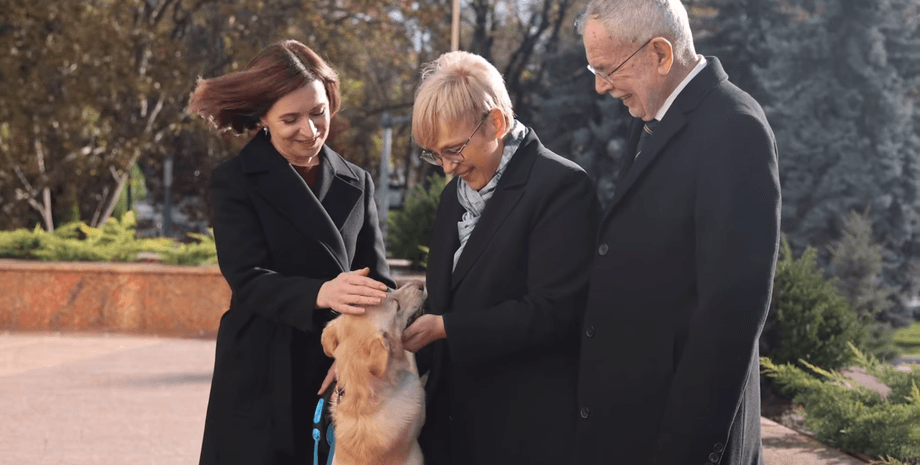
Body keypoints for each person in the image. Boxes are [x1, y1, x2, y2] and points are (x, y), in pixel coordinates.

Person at [572, 1, 781, 464]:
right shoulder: (656, 112)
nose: (600, 86)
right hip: (632, 429)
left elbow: (731, 313)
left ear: (661, 55)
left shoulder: (734, 128)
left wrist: (682, 450)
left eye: (607, 70)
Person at [188, 39, 395, 465]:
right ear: (263, 118)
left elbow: (379, 282)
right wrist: (322, 293)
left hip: (336, 374)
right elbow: (246, 276)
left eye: (318, 112)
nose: (310, 129)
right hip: (261, 371)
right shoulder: (235, 180)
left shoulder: (357, 181)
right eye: (290, 118)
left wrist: (355, 353)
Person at [401, 50, 600, 465]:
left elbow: (555, 312)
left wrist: (447, 328)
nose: (446, 169)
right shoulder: (452, 196)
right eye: (434, 154)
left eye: (453, 150)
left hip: (521, 432)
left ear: (496, 123)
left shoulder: (561, 187)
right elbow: (447, 296)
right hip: (451, 430)